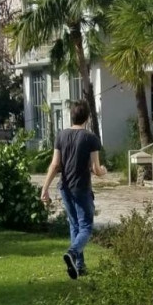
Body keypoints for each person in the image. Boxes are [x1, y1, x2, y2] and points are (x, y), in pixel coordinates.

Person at [40, 100, 107, 279]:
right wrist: (104, 172)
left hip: (65, 187)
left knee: (74, 225)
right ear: (87, 117)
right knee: (85, 227)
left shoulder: (61, 136)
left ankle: (79, 266)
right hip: (81, 188)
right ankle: (73, 252)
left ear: (72, 116)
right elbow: (95, 168)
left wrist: (45, 188)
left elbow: (55, 165)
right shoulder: (91, 138)